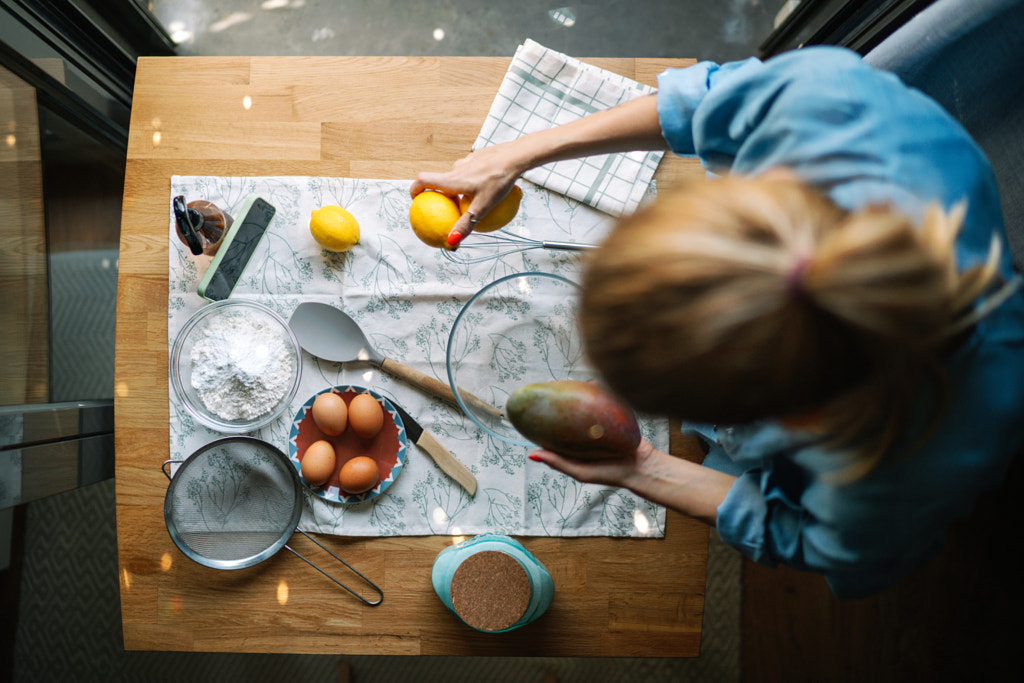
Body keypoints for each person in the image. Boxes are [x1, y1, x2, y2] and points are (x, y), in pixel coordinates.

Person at [410, 46, 1024, 599]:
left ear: (780, 417)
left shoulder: (895, 482)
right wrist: (518, 153)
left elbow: (800, 535)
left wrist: (646, 469)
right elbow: (698, 102)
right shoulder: (827, 106)